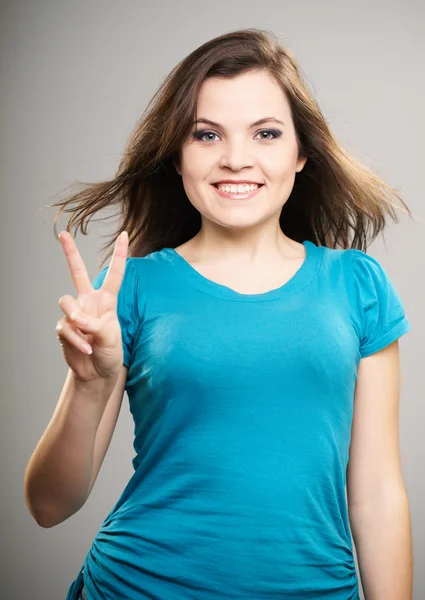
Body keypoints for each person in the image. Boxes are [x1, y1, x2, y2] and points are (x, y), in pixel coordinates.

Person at [24, 28, 414, 600]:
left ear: (301, 153)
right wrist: (90, 382)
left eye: (266, 133)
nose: (236, 159)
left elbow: (378, 493)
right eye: (206, 135)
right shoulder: (131, 289)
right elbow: (48, 506)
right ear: (177, 157)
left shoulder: (358, 286)